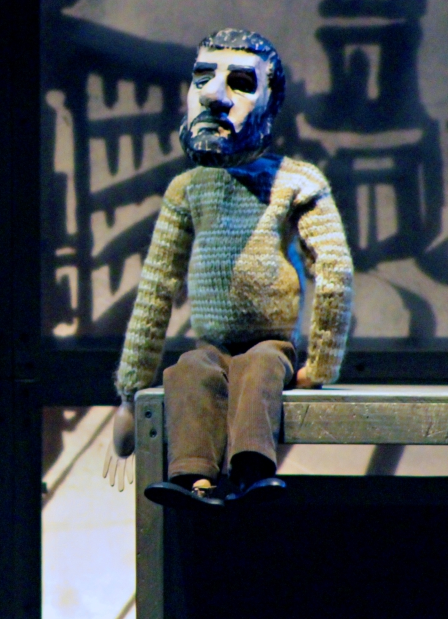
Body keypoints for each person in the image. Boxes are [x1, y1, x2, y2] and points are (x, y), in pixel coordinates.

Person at [104, 29, 353, 507]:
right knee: (188, 371)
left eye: (240, 82)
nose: (215, 96)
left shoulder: (296, 182)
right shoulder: (188, 189)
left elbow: (334, 272)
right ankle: (193, 478)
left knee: (259, 369)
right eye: (203, 78)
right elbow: (155, 290)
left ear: (269, 100)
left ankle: (250, 472)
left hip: (269, 343)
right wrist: (130, 396)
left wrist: (320, 366)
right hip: (211, 346)